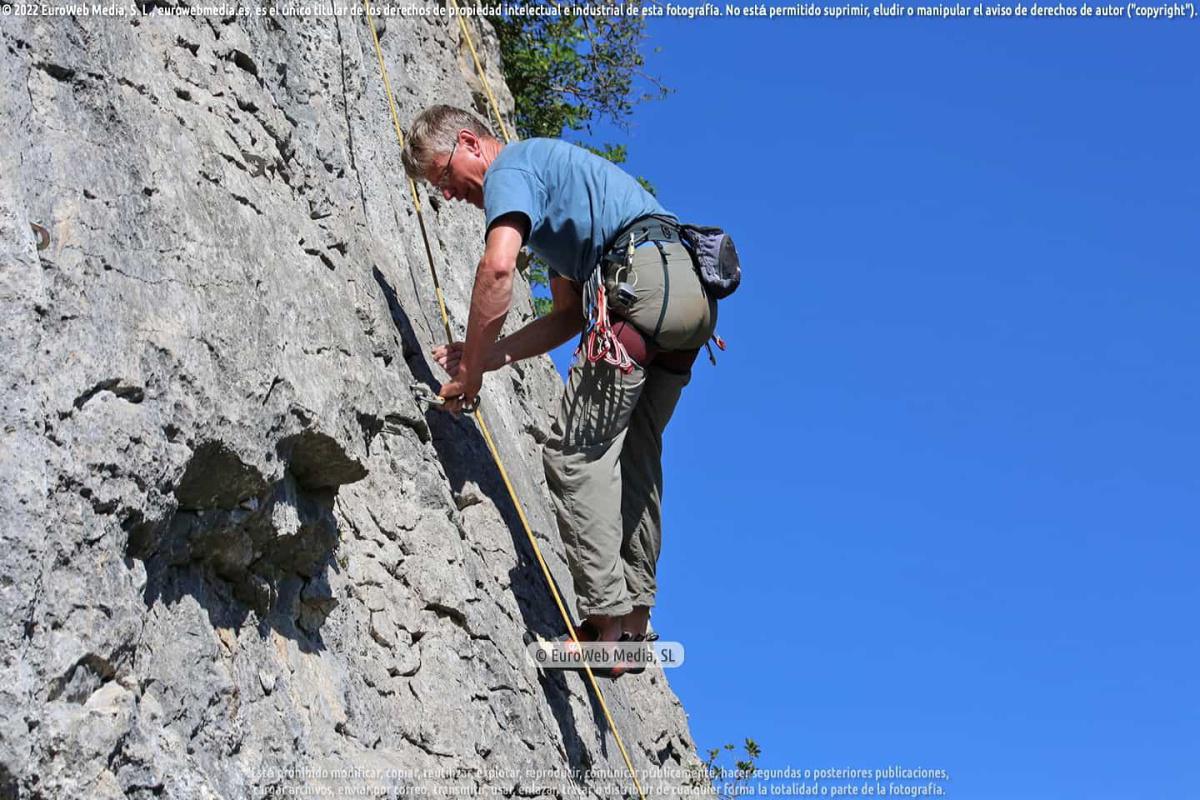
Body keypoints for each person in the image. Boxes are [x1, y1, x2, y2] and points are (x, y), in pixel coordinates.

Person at [401, 105, 717, 655]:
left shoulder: (511, 170)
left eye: (444, 176)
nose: (448, 195)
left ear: (472, 144)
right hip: (687, 294)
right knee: (636, 452)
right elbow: (569, 316)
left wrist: (470, 372)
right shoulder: (558, 195)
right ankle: (636, 620)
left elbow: (497, 269)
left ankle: (605, 625)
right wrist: (492, 356)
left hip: (642, 288)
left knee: (574, 453)